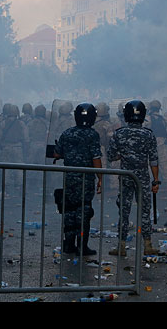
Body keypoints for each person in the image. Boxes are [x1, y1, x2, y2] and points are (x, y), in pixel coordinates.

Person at [107, 100, 160, 257]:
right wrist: (155, 181)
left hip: (126, 177)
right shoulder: (149, 134)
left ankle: (121, 246)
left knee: (124, 211)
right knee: (144, 211)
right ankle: (148, 245)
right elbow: (154, 160)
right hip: (142, 177)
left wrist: (123, 155)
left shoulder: (119, 133)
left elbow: (111, 156)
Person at [54, 103, 103, 256]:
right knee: (83, 211)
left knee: (68, 210)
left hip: (69, 178)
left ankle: (68, 244)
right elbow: (96, 158)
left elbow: (56, 154)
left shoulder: (67, 133)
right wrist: (100, 177)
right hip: (86, 179)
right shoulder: (92, 135)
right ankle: (82, 246)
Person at [144, 100, 167, 183]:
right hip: (162, 144)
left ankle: (150, 179)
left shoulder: (147, 119)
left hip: (150, 144)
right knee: (163, 162)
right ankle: (166, 179)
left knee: (149, 162)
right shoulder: (164, 119)